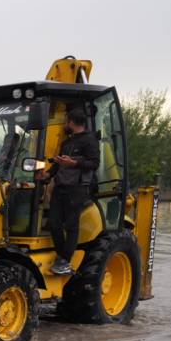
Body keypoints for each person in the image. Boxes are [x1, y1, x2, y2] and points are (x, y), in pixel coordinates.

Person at [40, 107, 100, 275]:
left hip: (77, 188)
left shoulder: (90, 141)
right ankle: (62, 257)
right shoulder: (67, 142)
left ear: (72, 122)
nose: (65, 124)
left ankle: (65, 261)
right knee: (53, 223)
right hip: (60, 186)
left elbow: (94, 164)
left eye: (66, 121)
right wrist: (46, 175)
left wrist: (74, 163)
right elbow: (58, 164)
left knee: (71, 225)